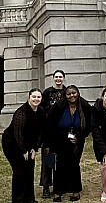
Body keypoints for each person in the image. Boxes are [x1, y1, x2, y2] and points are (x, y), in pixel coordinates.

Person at [46, 85, 91, 202]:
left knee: (74, 165)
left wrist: (79, 137)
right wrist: (48, 143)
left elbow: (89, 126)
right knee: (59, 166)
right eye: (69, 94)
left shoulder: (84, 105)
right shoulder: (58, 106)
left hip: (76, 142)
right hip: (59, 140)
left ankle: (75, 191)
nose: (72, 96)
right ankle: (57, 193)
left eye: (74, 93)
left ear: (78, 93)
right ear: (65, 96)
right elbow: (50, 124)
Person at [2, 88, 45, 203]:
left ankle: (30, 199)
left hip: (29, 144)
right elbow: (18, 134)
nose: (36, 99)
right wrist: (24, 150)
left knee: (30, 169)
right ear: (29, 98)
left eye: (38, 97)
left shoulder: (41, 112)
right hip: (12, 144)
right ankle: (18, 200)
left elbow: (40, 131)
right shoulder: (21, 112)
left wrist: (35, 148)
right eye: (34, 97)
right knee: (20, 170)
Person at [40, 70, 66, 199]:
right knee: (48, 159)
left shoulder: (67, 92)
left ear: (64, 78)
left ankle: (61, 185)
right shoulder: (47, 92)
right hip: (49, 131)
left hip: (63, 130)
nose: (58, 79)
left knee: (62, 159)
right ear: (53, 78)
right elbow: (42, 108)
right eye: (56, 77)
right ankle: (46, 186)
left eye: (60, 77)